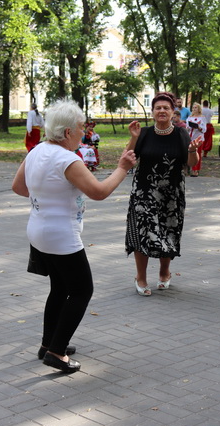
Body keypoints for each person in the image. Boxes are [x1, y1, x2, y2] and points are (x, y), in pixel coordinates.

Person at [12, 99, 136, 373]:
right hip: (61, 236)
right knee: (82, 290)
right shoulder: (67, 158)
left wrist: (46, 197)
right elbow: (99, 192)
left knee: (60, 289)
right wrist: (122, 169)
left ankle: (48, 344)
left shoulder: (37, 151)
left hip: (39, 230)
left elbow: (19, 188)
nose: (85, 132)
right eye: (81, 128)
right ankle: (56, 353)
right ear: (67, 132)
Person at [125, 92, 200, 296]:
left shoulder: (181, 134)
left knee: (167, 231)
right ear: (152, 112)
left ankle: (164, 272)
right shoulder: (145, 133)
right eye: (158, 108)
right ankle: (140, 276)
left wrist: (193, 151)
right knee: (143, 232)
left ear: (173, 112)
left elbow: (191, 164)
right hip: (144, 192)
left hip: (171, 194)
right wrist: (133, 138)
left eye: (166, 108)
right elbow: (128, 158)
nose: (162, 111)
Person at [186, 103, 207, 177]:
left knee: (197, 153)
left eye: (196, 108)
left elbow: (204, 129)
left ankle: (195, 170)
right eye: (193, 107)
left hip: (199, 138)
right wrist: (188, 128)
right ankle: (188, 169)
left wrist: (198, 127)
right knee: (189, 153)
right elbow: (187, 127)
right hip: (190, 137)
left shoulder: (202, 118)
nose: (194, 109)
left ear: (199, 109)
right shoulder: (189, 117)